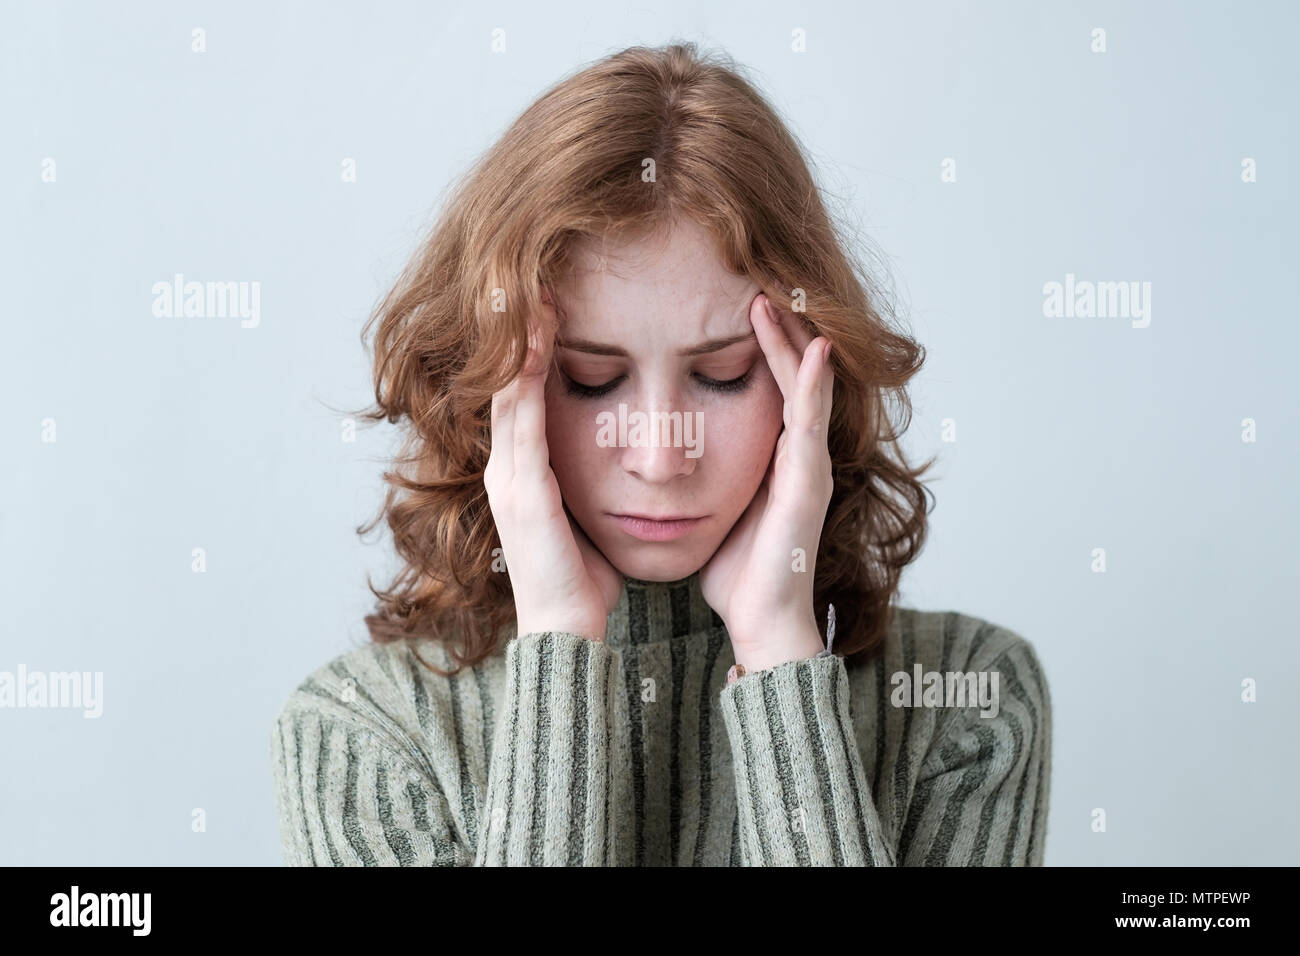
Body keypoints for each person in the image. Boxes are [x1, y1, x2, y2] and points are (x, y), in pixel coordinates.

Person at [269, 41, 1051, 866]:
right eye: (590, 380)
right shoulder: (360, 732)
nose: (658, 455)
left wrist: (782, 652)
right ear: (495, 390)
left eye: (720, 376)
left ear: (809, 378)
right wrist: (562, 647)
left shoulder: (969, 700)